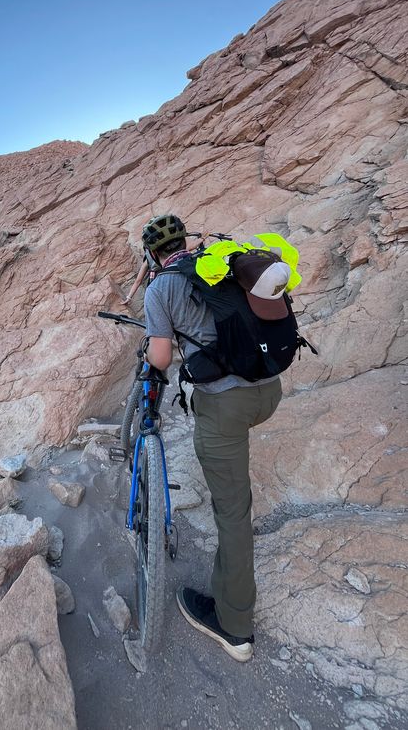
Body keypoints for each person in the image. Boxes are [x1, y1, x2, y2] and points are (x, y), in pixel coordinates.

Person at [141, 213, 282, 662]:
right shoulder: (219, 262)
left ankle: (234, 626)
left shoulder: (160, 288)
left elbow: (161, 358)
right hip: (270, 388)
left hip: (226, 405)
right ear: (186, 242)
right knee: (232, 445)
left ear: (153, 256)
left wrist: (152, 341)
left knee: (233, 512)